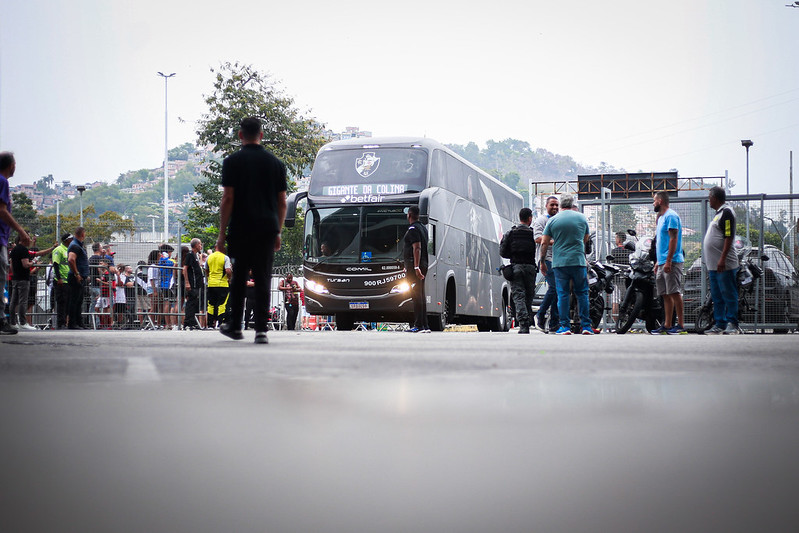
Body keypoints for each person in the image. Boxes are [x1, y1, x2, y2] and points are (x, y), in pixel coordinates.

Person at [216, 116, 288, 344]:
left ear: (240, 135)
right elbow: (282, 202)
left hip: (241, 227)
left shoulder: (232, 162)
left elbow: (228, 198)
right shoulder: (276, 164)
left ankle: (235, 326)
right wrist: (278, 231)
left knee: (239, 277)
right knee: (263, 276)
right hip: (267, 228)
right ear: (261, 135)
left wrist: (221, 233)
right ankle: (261, 331)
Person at [539, 194, 593, 335]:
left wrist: (542, 261)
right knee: (582, 294)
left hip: (560, 263)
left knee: (562, 294)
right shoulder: (581, 218)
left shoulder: (553, 220)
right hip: (578, 261)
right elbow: (586, 238)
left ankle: (565, 327)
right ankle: (586, 326)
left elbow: (544, 242)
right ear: (572, 203)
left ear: (561, 205)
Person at [703, 186, 740, 335]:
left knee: (728, 293)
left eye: (709, 197)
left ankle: (732, 323)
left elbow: (728, 236)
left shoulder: (727, 212)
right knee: (717, 296)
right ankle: (720, 324)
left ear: (715, 198)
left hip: (724, 264)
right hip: (714, 265)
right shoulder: (718, 214)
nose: (708, 200)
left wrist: (722, 258)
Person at [0, 151, 30, 335]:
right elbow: (2, 211)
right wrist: (20, 230)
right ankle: (1, 321)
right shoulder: (2, 181)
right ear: (11, 165)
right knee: (0, 279)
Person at [651, 191, 687, 335]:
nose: (653, 204)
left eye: (654, 201)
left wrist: (668, 261)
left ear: (660, 201)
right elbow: (661, 242)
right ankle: (667, 324)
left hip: (671, 261)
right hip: (662, 262)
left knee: (674, 292)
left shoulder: (671, 216)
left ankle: (681, 325)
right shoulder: (661, 218)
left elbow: (673, 239)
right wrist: (658, 262)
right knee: (665, 293)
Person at [501, 207, 537, 334]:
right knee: (528, 296)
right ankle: (528, 319)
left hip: (516, 267)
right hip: (531, 268)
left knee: (518, 296)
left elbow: (502, 252)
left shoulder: (510, 233)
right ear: (530, 218)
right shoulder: (533, 233)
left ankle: (523, 324)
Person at [533, 196, 560, 333]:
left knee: (560, 290)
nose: (555, 207)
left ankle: (554, 322)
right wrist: (556, 242)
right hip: (546, 259)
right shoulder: (541, 220)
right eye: (552, 205)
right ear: (546, 206)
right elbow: (537, 238)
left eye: (557, 205)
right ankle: (540, 314)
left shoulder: (559, 220)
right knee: (555, 288)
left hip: (559, 260)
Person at [403, 205, 430, 333]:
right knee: (421, 295)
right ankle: (424, 326)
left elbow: (417, 248)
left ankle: (418, 325)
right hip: (423, 265)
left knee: (416, 296)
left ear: (409, 215)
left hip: (416, 268)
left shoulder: (413, 229)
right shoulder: (423, 229)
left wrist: (415, 267)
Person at [9, 234, 37, 330]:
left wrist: (14, 273)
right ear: (24, 239)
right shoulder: (23, 250)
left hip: (15, 277)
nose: (29, 240)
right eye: (28, 238)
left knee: (13, 300)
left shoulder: (14, 250)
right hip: (23, 278)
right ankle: (23, 322)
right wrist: (33, 262)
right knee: (23, 301)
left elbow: (11, 265)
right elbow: (25, 265)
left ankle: (12, 321)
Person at [67, 226, 89, 329]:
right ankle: (73, 323)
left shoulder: (77, 245)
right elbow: (71, 259)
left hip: (79, 276)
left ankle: (79, 322)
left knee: (79, 301)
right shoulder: (75, 246)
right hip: (76, 277)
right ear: (83, 234)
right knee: (75, 301)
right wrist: (77, 274)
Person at [205, 244, 232, 329]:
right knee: (222, 304)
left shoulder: (209, 257)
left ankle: (210, 324)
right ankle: (220, 323)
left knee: (211, 304)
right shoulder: (225, 257)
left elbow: (206, 269)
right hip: (222, 284)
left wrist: (209, 278)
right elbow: (228, 270)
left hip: (211, 284)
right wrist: (229, 278)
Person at [52, 233, 73, 329]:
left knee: (68, 303)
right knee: (62, 303)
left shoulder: (69, 250)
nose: (72, 240)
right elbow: (55, 264)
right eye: (70, 239)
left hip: (68, 281)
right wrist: (59, 278)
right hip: (61, 281)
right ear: (65, 240)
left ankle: (66, 322)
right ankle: (61, 323)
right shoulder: (58, 250)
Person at [182, 238, 204, 330]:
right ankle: (188, 323)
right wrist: (187, 283)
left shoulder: (196, 255)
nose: (201, 246)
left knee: (195, 303)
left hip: (197, 284)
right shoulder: (190, 255)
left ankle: (192, 322)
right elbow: (185, 269)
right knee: (191, 303)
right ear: (195, 245)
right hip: (192, 283)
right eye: (199, 244)